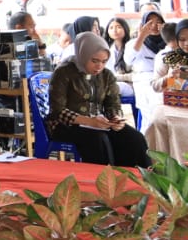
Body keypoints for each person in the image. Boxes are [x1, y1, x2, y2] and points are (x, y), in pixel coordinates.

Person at [48, 32, 150, 167]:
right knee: (98, 140)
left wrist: (116, 119)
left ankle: (134, 182)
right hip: (65, 125)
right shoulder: (64, 72)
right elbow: (57, 111)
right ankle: (102, 182)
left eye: (104, 62)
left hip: (97, 123)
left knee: (134, 138)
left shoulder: (106, 75)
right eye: (94, 61)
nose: (99, 66)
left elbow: (112, 103)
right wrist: (89, 121)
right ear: (83, 55)